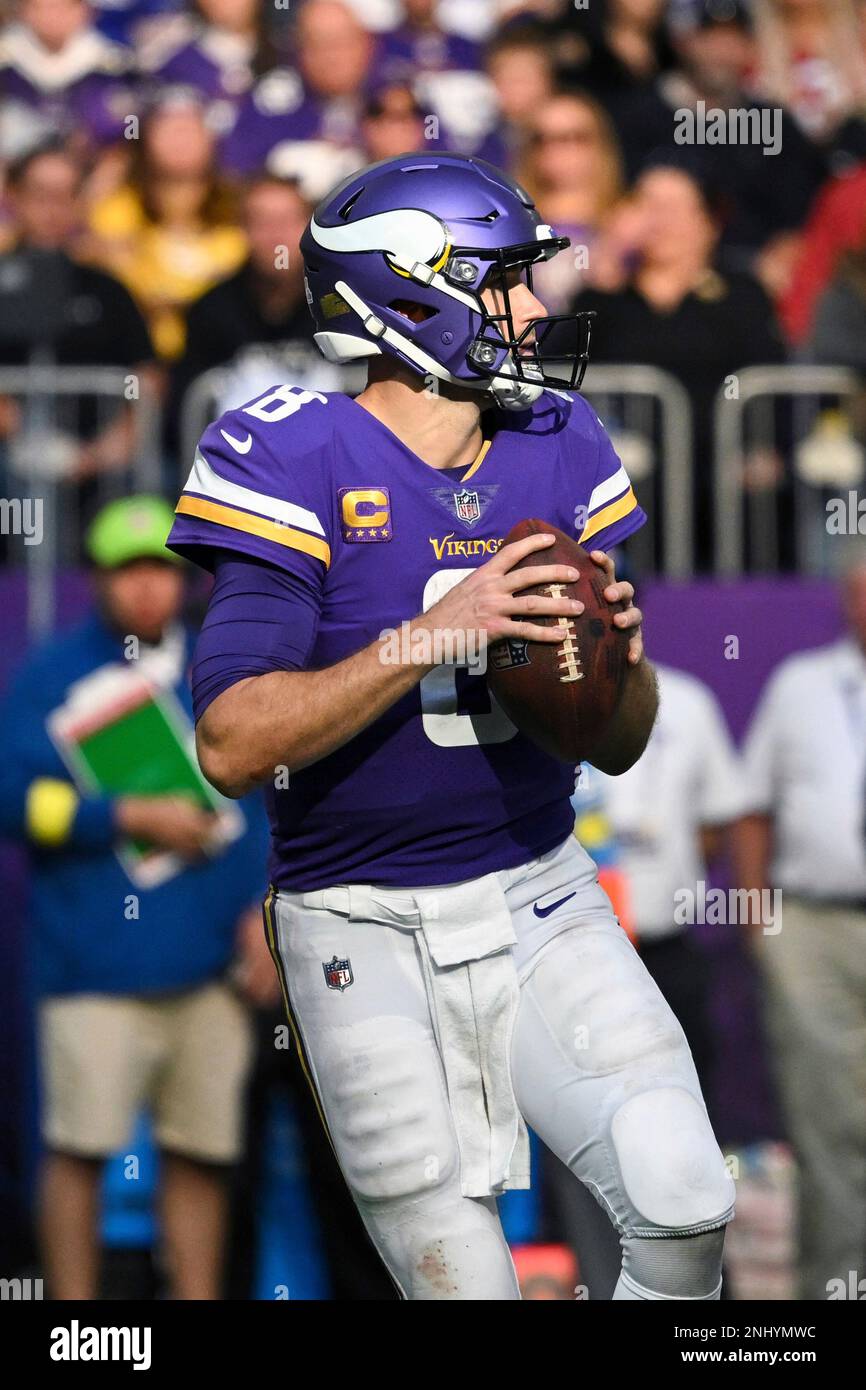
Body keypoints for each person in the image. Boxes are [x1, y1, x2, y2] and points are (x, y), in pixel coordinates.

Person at [167, 152, 735, 1301]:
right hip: (359, 922)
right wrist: (439, 630)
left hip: (538, 888)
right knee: (462, 1283)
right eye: (504, 282)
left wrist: (611, 659)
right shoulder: (290, 452)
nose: (534, 307)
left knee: (684, 1199)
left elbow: (615, 740)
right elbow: (230, 743)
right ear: (411, 293)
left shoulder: (557, 439)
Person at [0, 495, 270, 1299]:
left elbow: (270, 805)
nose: (148, 587)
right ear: (98, 580)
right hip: (91, 971)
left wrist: (265, 915)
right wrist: (119, 813)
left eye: (161, 567)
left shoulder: (224, 669)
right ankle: (74, 1329)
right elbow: (11, 802)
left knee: (202, 1154)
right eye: (129, 570)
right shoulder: (52, 677)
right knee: (77, 1152)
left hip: (211, 969)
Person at [734, 555, 866, 1300]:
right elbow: (753, 809)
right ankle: (833, 1292)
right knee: (828, 1126)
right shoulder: (802, 685)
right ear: (845, 605)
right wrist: (763, 928)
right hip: (814, 927)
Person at [87, 89, 246, 360]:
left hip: (223, 356)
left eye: (189, 129)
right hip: (141, 357)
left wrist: (169, 294)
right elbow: (120, 285)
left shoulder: (238, 209)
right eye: (169, 129)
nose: (180, 140)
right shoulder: (117, 208)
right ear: (146, 137)